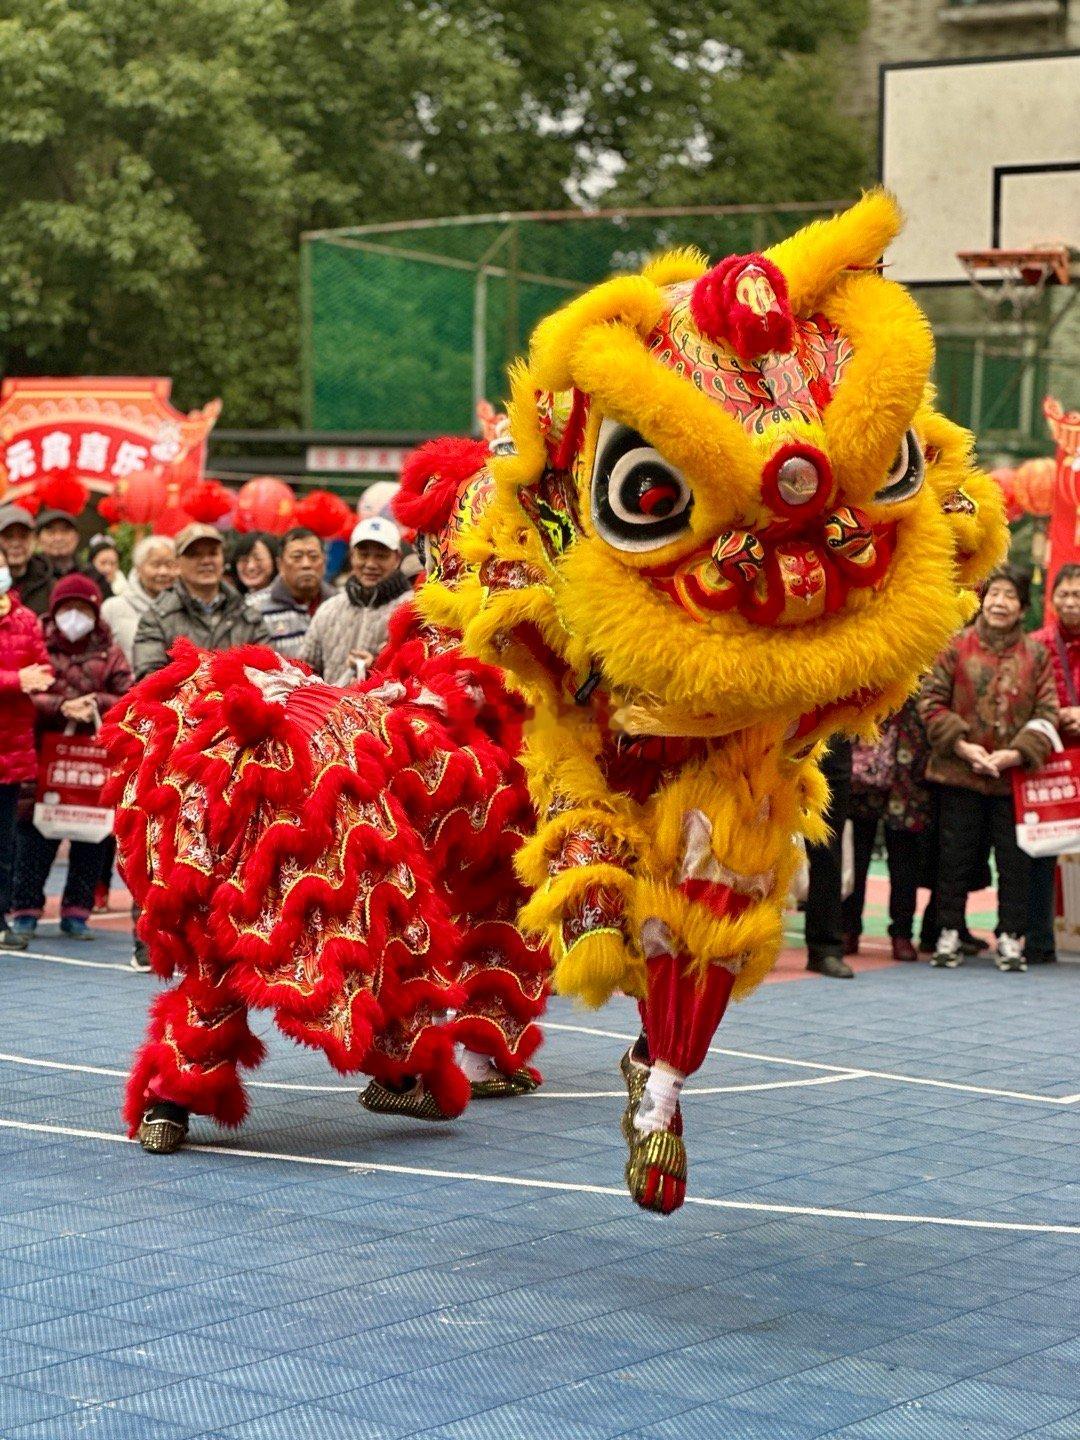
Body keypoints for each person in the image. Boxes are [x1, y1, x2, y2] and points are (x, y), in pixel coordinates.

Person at [918, 566, 1058, 971]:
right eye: (993, 594)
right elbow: (930, 701)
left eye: (1009, 596)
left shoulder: (1037, 654)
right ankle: (947, 934)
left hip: (1015, 780)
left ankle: (1011, 938)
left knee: (1015, 862)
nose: (999, 603)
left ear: (1022, 607)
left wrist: (1014, 754)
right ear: (983, 599)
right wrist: (964, 747)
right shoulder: (955, 645)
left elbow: (1047, 712)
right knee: (954, 859)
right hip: (958, 774)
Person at [9, 575, 132, 942]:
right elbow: (22, 696)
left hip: (93, 763)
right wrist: (62, 707)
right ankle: (26, 910)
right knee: (34, 835)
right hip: (41, 757)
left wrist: (94, 704)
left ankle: (77, 913)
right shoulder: (37, 642)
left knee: (91, 837)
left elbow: (128, 696)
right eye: (68, 608)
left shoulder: (110, 650)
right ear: (55, 609)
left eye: (83, 608)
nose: (75, 616)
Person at [842, 700, 932, 963]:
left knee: (905, 861)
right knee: (855, 856)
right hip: (861, 765)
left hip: (907, 769)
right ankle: (847, 928)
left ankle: (902, 933)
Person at [0, 536, 53, 950]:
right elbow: (26, 676)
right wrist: (18, 681)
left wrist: (38, 677)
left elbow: (43, 665)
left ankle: (1, 918)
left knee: (6, 842)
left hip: (12, 746)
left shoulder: (25, 619)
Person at [131, 523, 269, 681]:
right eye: (195, 554)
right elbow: (149, 679)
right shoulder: (156, 618)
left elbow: (269, 670)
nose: (206, 561)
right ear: (177, 563)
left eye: (213, 553)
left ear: (222, 558)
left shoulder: (248, 615)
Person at [1027, 563, 1080, 964]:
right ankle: (1039, 937)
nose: (1071, 601)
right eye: (1064, 594)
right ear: (1052, 598)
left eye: (1078, 595)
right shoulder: (1036, 643)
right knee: (1043, 852)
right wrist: (1055, 715)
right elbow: (1023, 701)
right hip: (1050, 759)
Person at [302, 516, 411, 686]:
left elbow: (417, 675)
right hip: (330, 711)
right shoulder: (329, 609)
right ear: (352, 556)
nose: (370, 564)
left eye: (381, 556)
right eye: (363, 555)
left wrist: (378, 666)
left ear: (397, 558)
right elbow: (305, 669)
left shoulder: (410, 610)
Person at [803, 737, 855, 978]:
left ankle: (825, 949)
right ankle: (750, 944)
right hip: (773, 734)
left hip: (831, 740)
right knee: (761, 848)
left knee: (828, 852)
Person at [247, 526, 333, 659]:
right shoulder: (253, 607)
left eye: (314, 557)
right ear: (280, 564)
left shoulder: (339, 605)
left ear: (325, 561)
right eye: (297, 557)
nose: (306, 564)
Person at [101, 535, 178, 665]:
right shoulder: (113, 608)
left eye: (170, 565)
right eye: (156, 565)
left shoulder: (187, 607)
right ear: (138, 568)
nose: (163, 572)